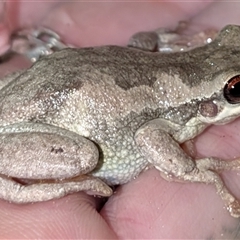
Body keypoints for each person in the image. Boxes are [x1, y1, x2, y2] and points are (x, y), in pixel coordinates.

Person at [0, 1, 240, 238]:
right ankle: (18, 190)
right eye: (236, 88)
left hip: (44, 81)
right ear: (209, 106)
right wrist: (188, 168)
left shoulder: (167, 67)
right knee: (85, 156)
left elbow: (141, 41)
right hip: (30, 119)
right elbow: (149, 136)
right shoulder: (182, 104)